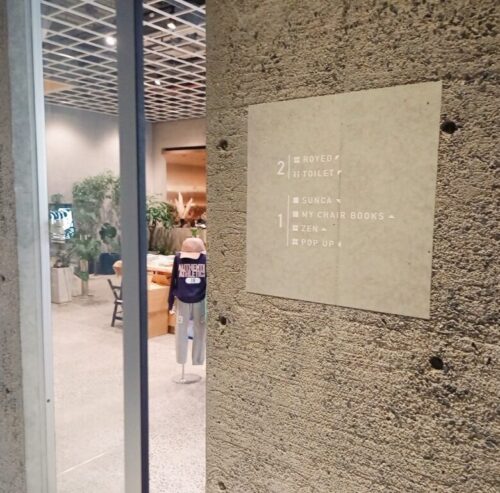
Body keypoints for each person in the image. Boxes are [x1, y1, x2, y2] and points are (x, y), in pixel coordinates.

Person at [168, 237, 207, 365]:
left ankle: (198, 360)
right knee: (181, 331)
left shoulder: (205, 259)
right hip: (182, 299)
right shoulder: (178, 258)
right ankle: (182, 360)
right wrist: (170, 302)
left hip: (200, 299)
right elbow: (173, 279)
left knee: (200, 331)